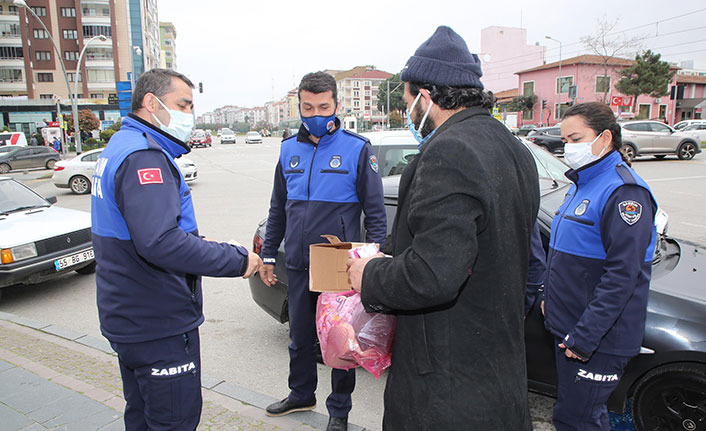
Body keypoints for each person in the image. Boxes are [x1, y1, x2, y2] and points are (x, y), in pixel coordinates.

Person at [346, 26, 538, 430]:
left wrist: (370, 274)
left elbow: (432, 275)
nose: (406, 113)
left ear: (425, 97)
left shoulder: (449, 151)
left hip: (448, 392)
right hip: (498, 377)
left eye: (406, 102)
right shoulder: (511, 146)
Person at [91, 68, 262, 430]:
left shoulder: (121, 145)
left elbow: (151, 230)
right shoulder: (144, 157)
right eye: (183, 105)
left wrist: (200, 244)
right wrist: (237, 260)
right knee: (174, 420)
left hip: (130, 316)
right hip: (157, 322)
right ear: (151, 103)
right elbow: (159, 242)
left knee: (141, 415)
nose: (190, 115)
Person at [259, 71, 386, 431]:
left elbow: (376, 213)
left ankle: (339, 412)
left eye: (323, 106)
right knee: (299, 337)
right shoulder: (287, 150)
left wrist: (373, 262)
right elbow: (277, 210)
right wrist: (269, 255)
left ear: (337, 106)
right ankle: (301, 393)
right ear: (298, 106)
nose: (315, 113)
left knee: (339, 342)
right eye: (308, 106)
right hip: (299, 261)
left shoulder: (357, 148)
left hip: (338, 263)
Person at [541, 102, 657, 431]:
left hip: (595, 341)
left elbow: (622, 276)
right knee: (579, 413)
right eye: (565, 140)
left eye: (576, 138)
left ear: (604, 138)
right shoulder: (582, 183)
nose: (568, 148)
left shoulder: (624, 192)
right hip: (570, 330)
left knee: (578, 420)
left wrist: (584, 338)